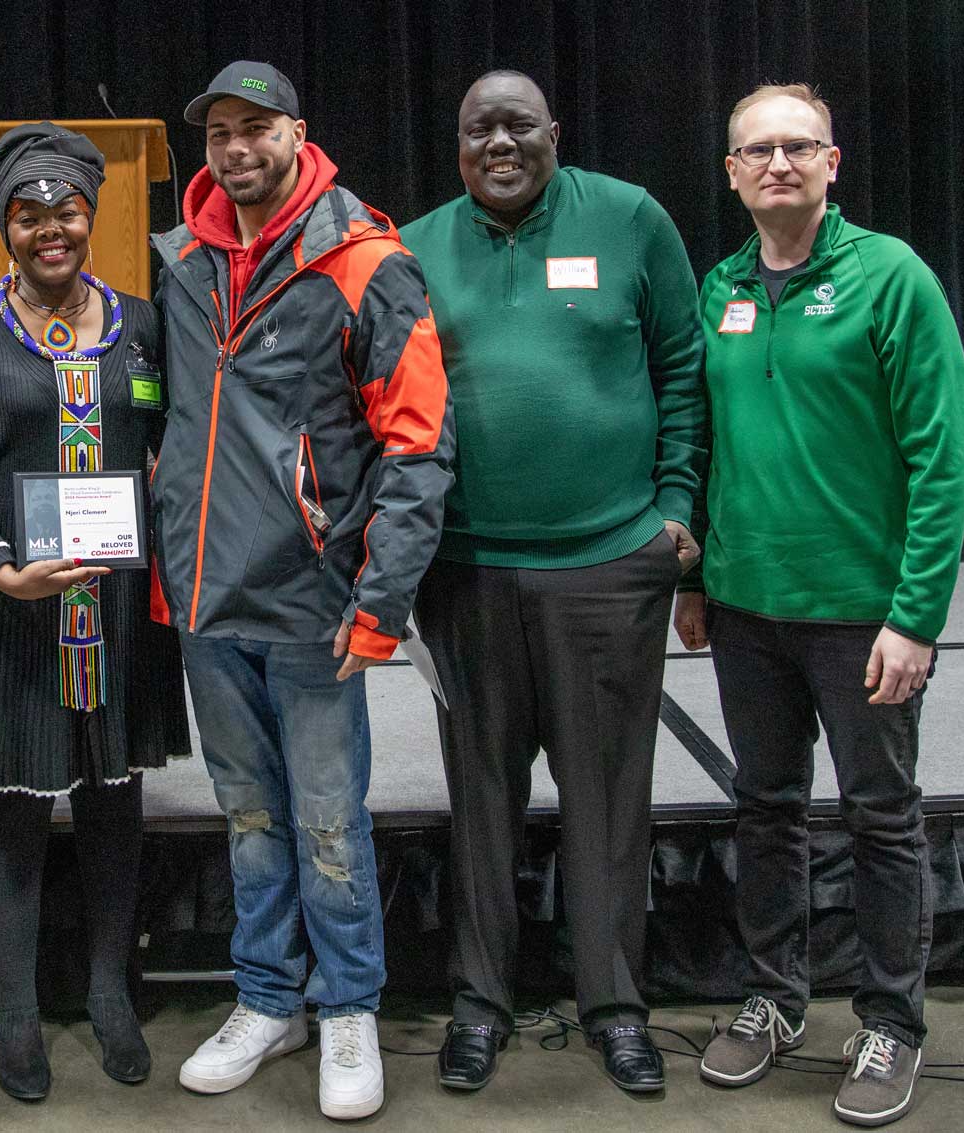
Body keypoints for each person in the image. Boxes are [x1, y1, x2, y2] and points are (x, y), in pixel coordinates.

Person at [153, 61, 454, 1121]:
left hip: (317, 608)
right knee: (247, 816)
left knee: (328, 818)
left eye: (256, 128)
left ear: (299, 133)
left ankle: (348, 1007)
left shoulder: (366, 262)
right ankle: (268, 995)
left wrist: (381, 603)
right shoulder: (180, 262)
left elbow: (418, 450)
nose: (236, 149)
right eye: (219, 133)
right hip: (205, 603)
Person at [400, 69, 705, 1094]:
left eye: (518, 125)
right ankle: (480, 1002)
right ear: (456, 144)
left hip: (609, 567)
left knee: (609, 802)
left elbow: (683, 366)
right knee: (480, 800)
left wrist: (674, 512)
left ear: (553, 134)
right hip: (466, 569)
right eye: (479, 125)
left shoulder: (628, 218)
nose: (500, 142)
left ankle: (615, 1006)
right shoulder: (414, 244)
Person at [684, 83, 964, 1128]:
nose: (777, 164)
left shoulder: (891, 279)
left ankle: (891, 1018)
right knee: (766, 808)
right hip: (746, 608)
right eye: (755, 149)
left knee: (881, 816)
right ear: (731, 172)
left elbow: (941, 459)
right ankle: (773, 996)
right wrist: (695, 581)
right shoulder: (718, 289)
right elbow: (705, 450)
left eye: (796, 146)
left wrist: (917, 615)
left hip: (863, 614)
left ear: (832, 160)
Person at [0, 122, 191, 1101]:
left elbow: (169, 445)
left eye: (67, 212)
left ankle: (110, 986)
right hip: (10, 617)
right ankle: (18, 1007)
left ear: (91, 215)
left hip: (116, 617)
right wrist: (1, 569)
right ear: (6, 222)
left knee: (116, 797)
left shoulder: (141, 326)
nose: (50, 230)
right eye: (28, 214)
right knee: (15, 809)